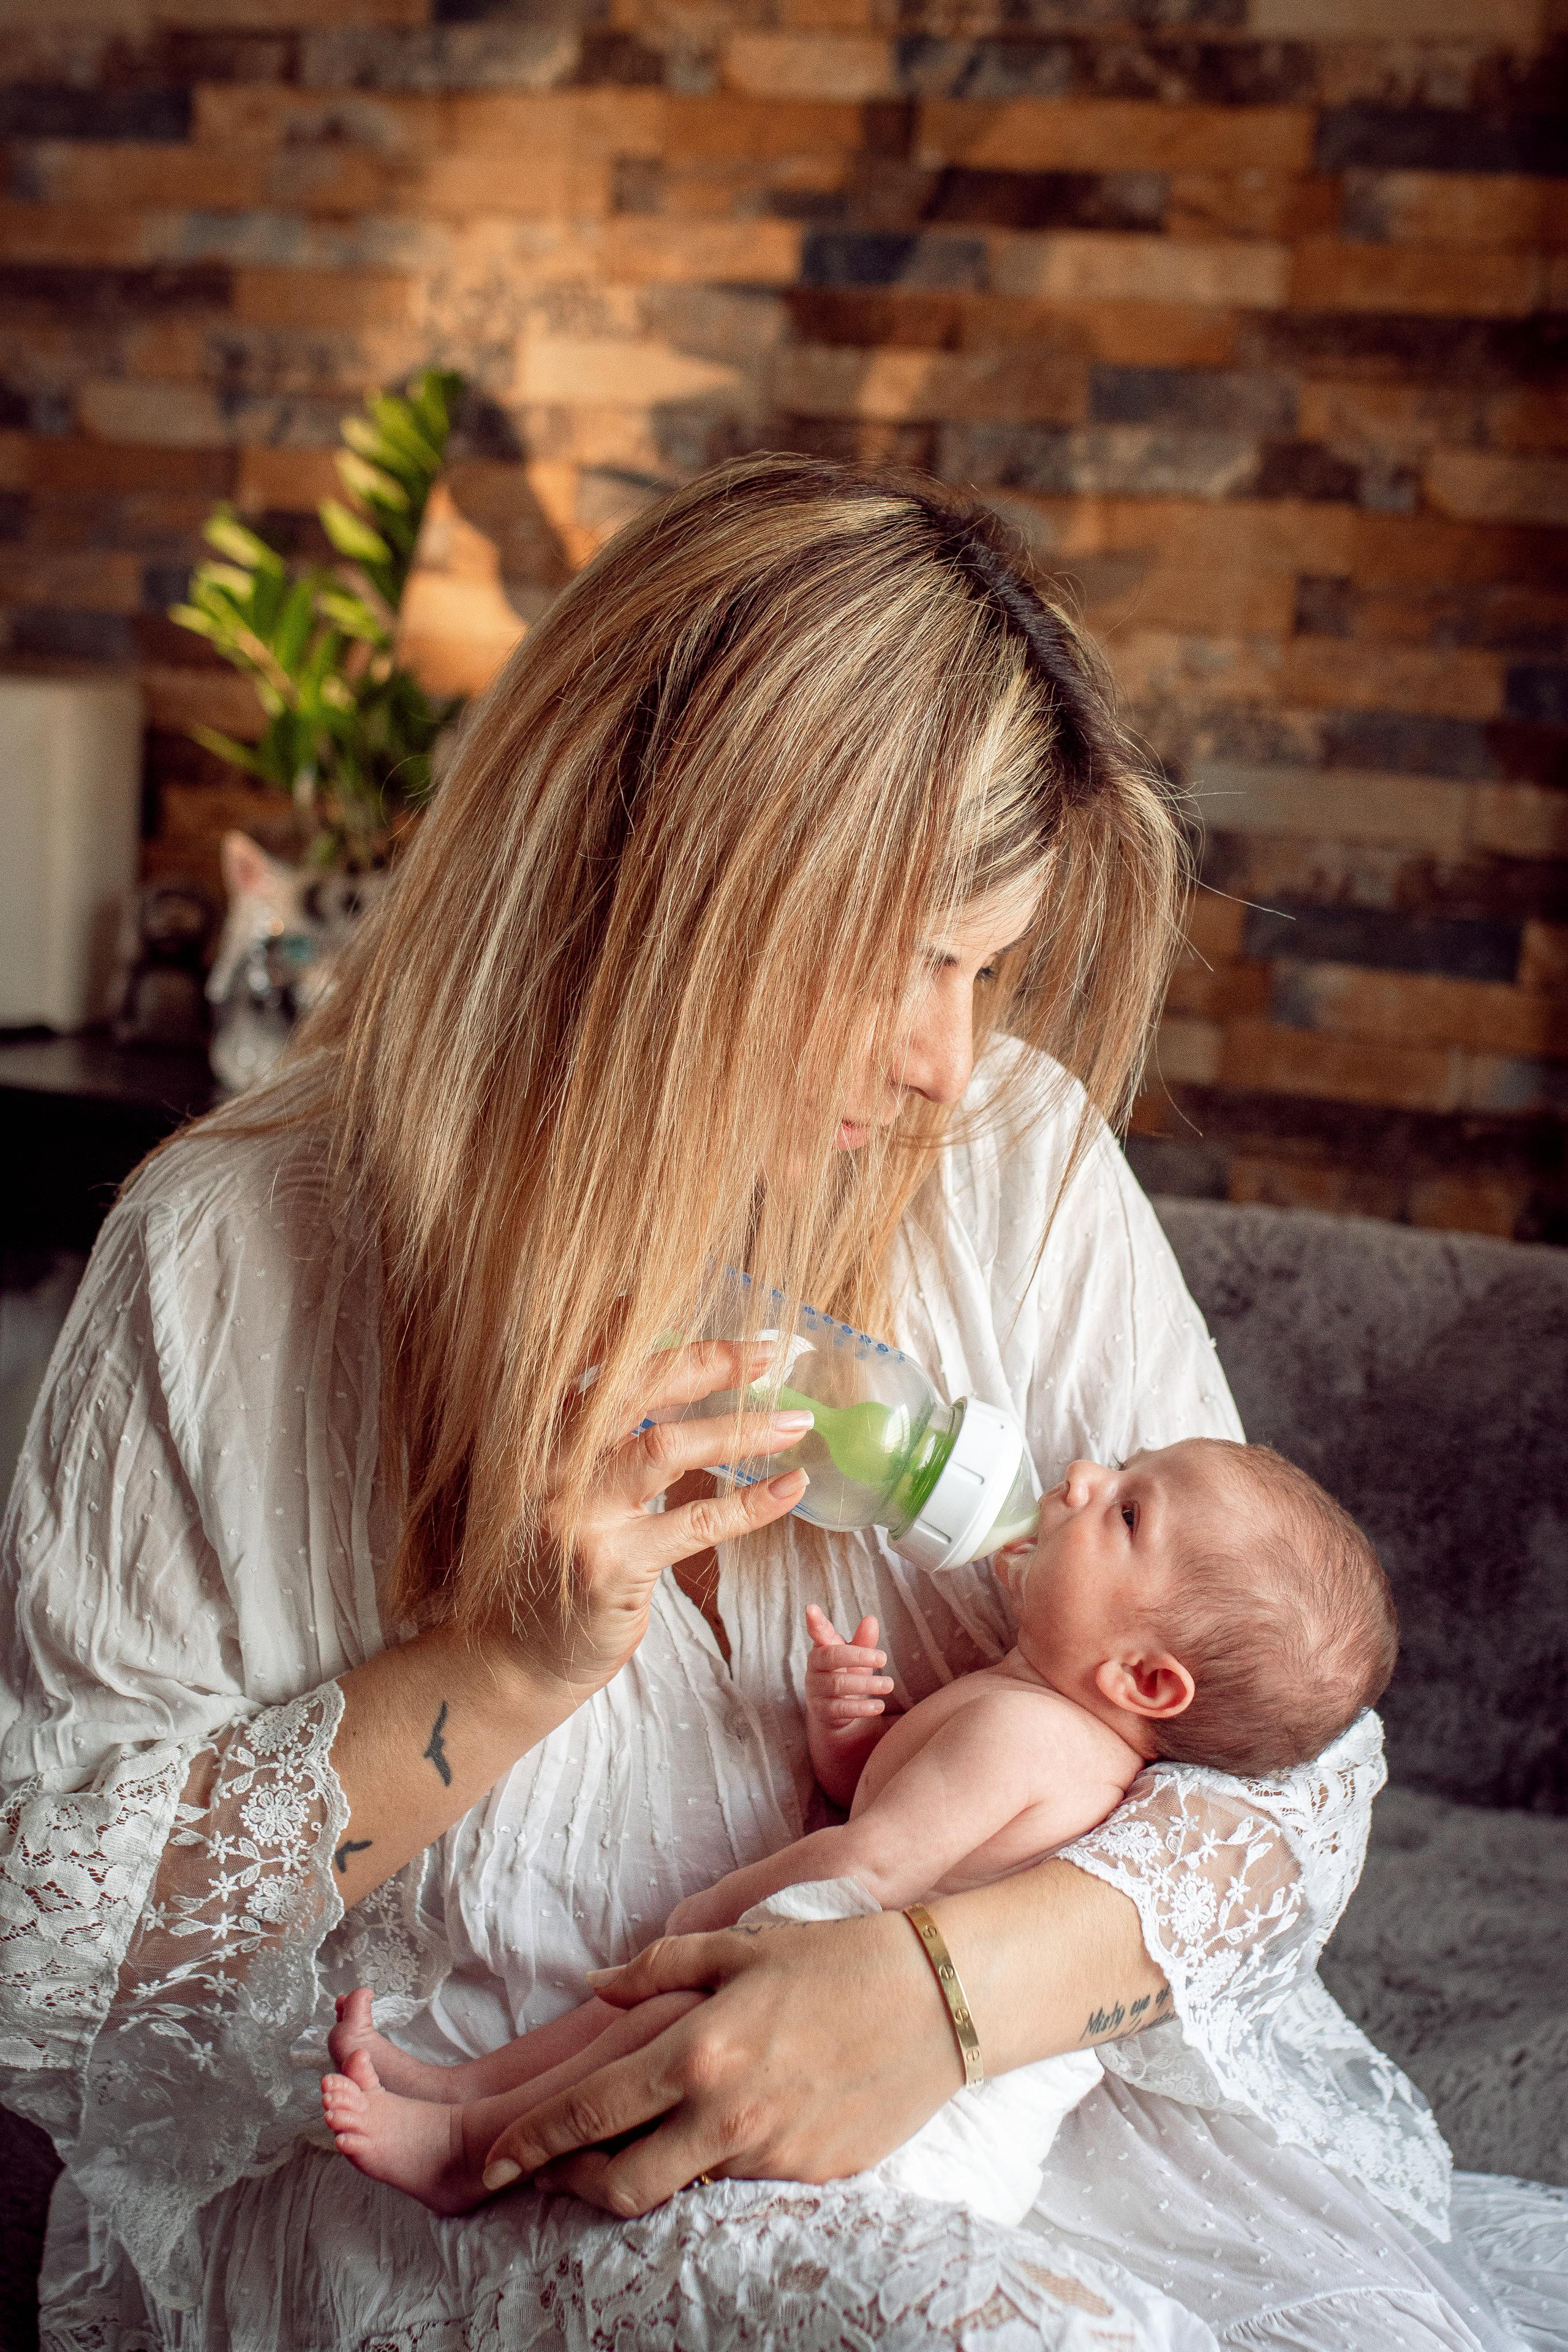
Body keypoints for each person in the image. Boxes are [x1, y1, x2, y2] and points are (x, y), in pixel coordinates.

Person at [1, 456, 1561, 2352]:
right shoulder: (229, 1263)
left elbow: (1294, 1767)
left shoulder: (1008, 1165)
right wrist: (506, 1668)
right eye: (909, 958)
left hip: (979, 2117)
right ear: (664, 890)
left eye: (987, 970)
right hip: (482, 2168)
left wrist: (937, 1993)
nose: (947, 1059)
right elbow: (46, 1969)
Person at [317, 1437, 1398, 2228]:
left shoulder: (1031, 1738)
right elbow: (881, 1803)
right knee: (643, 2012)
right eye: (1121, 1468)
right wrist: (854, 1728)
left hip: (871, 2034)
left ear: (1146, 1679)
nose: (1081, 1478)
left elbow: (871, 1861)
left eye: (1125, 1512)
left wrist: (720, 1907)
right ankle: (463, 2089)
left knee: (654, 2012)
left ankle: (470, 2149)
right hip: (864, 1952)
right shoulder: (1028, 1710)